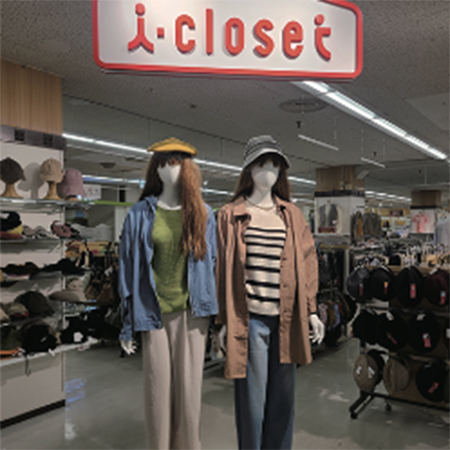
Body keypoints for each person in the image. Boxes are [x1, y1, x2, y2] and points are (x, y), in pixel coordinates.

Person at [215, 135, 325, 450]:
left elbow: (308, 262)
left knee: (283, 402)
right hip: (250, 321)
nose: (269, 173)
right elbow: (220, 268)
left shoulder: (291, 215)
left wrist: (311, 310)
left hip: (287, 320)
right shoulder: (230, 214)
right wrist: (223, 320)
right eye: (262, 165)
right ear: (249, 169)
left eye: (275, 166)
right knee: (252, 405)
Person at [118, 137, 218, 450]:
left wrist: (220, 320)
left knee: (189, 393)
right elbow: (127, 268)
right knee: (157, 392)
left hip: (193, 313)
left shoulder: (204, 214)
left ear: (187, 169)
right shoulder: (139, 214)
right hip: (153, 313)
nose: (167, 170)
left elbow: (213, 265)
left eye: (174, 164)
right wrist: (127, 323)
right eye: (160, 164)